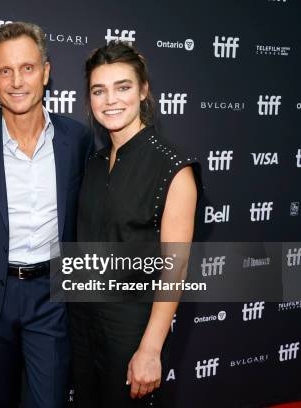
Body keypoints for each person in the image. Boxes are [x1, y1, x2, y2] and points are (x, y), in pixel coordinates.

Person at [0, 22, 93, 408]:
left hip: (53, 295)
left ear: (46, 73)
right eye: (5, 71)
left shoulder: (76, 139)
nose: (17, 81)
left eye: (27, 68)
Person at [68, 41, 201, 407]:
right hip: (82, 325)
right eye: (99, 90)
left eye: (123, 87)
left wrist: (150, 349)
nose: (110, 100)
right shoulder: (93, 163)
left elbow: (176, 269)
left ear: (143, 91)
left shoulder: (173, 168)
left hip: (132, 331)